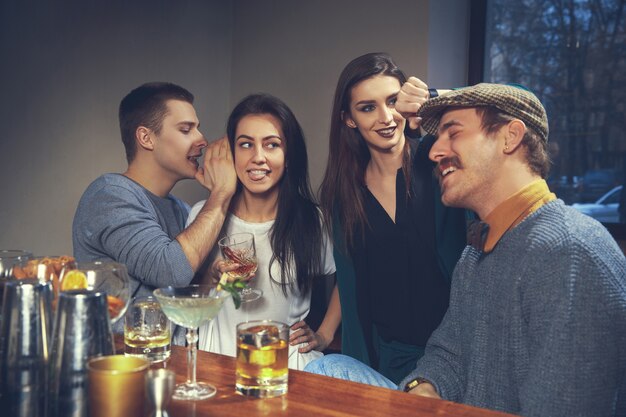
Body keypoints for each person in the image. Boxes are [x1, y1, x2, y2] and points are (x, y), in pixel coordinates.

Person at [306, 83, 626, 417]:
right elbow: (449, 355)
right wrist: (421, 392)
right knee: (329, 370)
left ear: (510, 136)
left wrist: (432, 93)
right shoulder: (476, 253)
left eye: (452, 133)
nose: (433, 151)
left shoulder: (569, 251)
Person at [317, 52, 467, 383]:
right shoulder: (346, 194)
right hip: (387, 361)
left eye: (392, 101)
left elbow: (518, 102)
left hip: (453, 359)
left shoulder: (440, 160)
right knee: (319, 371)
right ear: (349, 119)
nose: (386, 117)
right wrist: (324, 335)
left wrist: (438, 100)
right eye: (367, 107)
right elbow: (350, 274)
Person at [187, 93, 340, 370]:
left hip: (285, 368)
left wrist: (324, 335)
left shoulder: (312, 220)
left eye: (272, 145)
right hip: (215, 364)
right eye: (246, 144)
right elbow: (189, 302)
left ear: (289, 155)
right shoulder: (204, 214)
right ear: (232, 154)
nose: (258, 157)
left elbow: (349, 278)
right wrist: (214, 278)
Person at [73, 82, 236, 316]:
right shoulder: (108, 195)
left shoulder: (181, 209)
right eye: (185, 129)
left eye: (197, 128)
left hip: (177, 352)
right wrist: (221, 194)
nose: (202, 140)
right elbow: (170, 272)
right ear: (146, 138)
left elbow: (188, 299)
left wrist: (215, 276)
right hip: (125, 352)